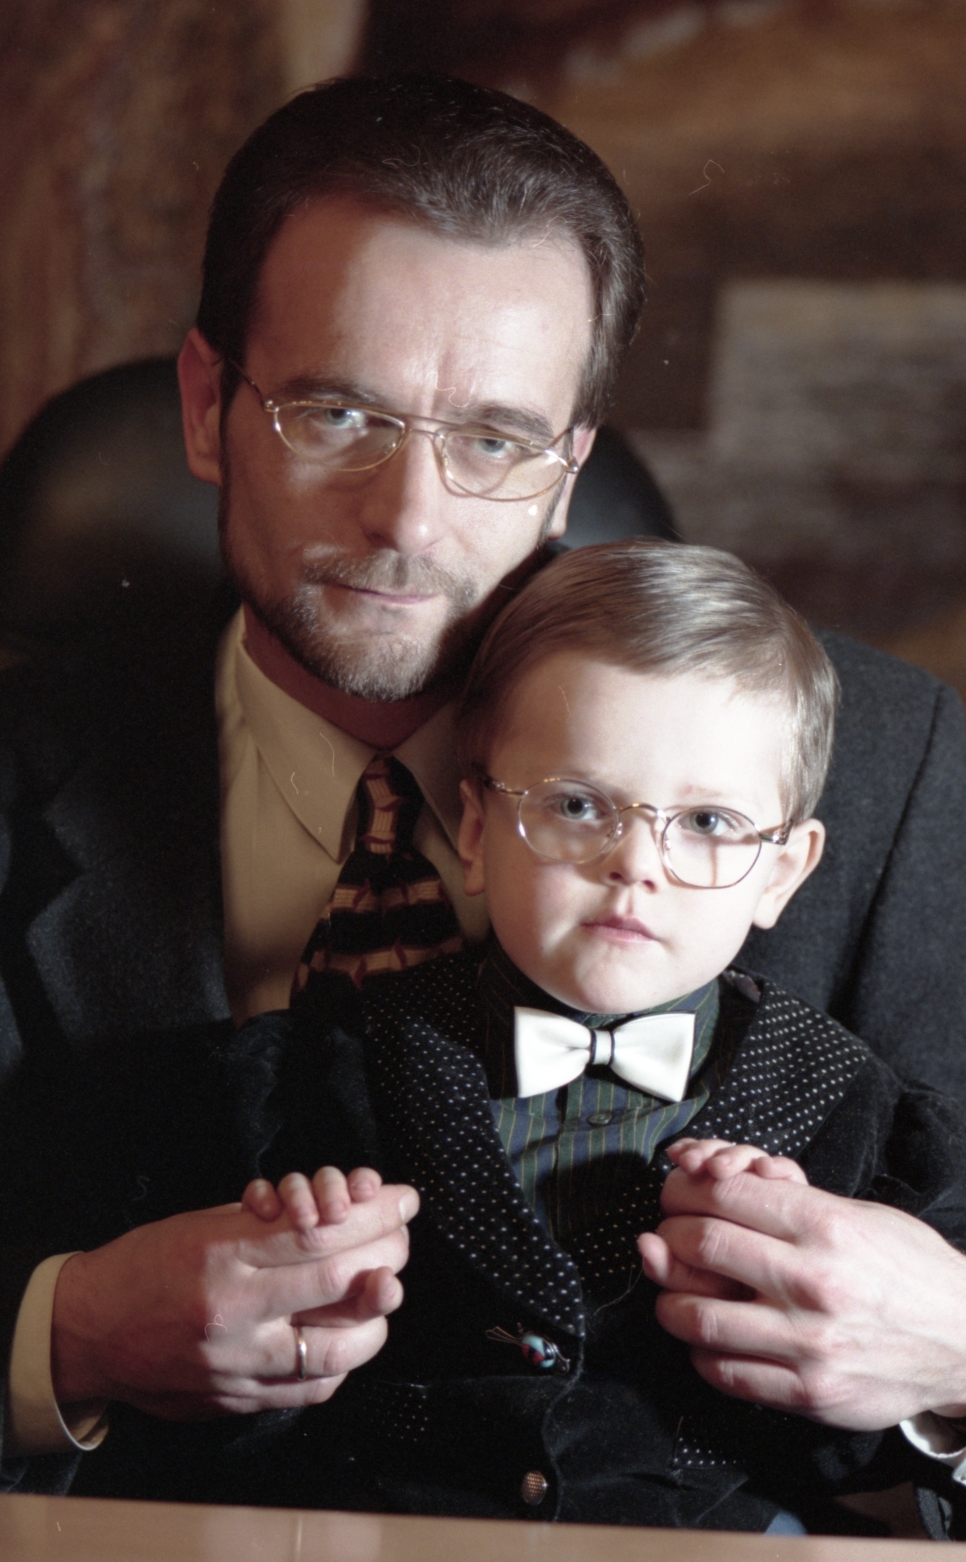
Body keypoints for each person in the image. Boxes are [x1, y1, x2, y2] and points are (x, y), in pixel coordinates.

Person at [0, 72, 966, 1505]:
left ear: (570, 469)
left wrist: (955, 1352)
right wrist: (65, 1336)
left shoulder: (887, 766)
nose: (408, 517)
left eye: (494, 440)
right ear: (207, 407)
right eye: (337, 412)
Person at [169, 538, 965, 1532]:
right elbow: (218, 1395)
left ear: (781, 873)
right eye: (579, 804)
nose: (636, 863)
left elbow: (864, 1436)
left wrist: (784, 1302)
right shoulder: (339, 1064)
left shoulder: (847, 1107)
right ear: (473, 830)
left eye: (708, 823)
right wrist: (296, 1271)